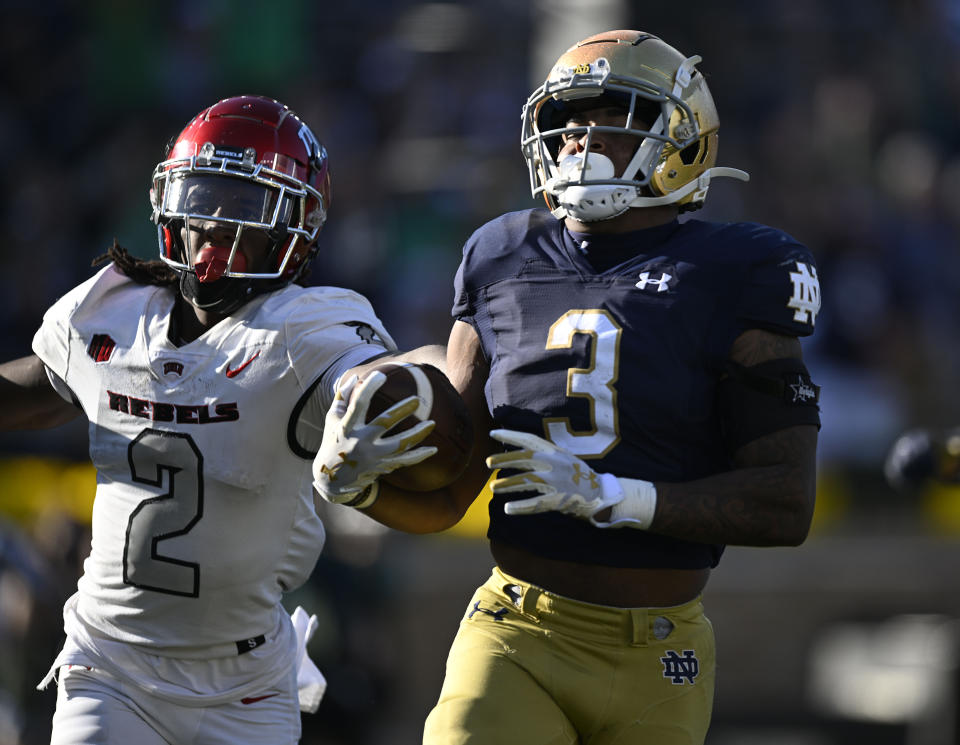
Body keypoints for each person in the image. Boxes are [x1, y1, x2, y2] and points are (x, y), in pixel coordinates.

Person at [312, 30, 823, 745]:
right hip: (519, 629)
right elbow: (454, 490)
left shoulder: (738, 270)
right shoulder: (500, 254)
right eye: (568, 120)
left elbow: (785, 501)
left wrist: (614, 497)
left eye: (611, 117)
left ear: (678, 138)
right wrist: (355, 484)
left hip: (661, 650)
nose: (581, 138)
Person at [0, 95, 440, 745]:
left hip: (247, 684)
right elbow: (31, 391)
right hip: (111, 664)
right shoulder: (113, 311)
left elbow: (392, 371)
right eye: (201, 196)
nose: (211, 223)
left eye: (242, 205)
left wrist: (389, 394)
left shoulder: (304, 330)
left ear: (296, 221)